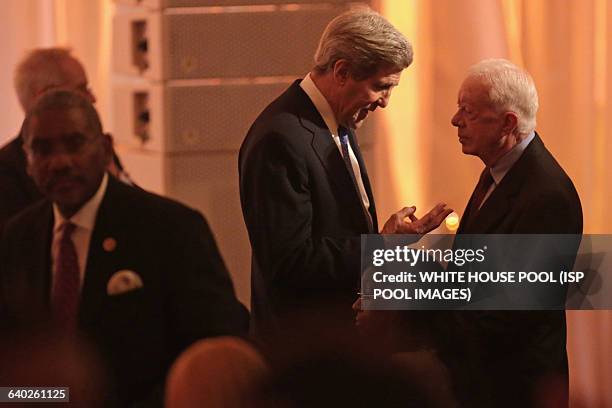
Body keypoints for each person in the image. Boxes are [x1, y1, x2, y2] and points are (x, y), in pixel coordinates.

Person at [0, 90, 249, 407]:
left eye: (74, 144)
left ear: (104, 149)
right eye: (42, 149)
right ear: (27, 161)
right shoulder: (19, 237)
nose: (59, 162)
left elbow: (214, 353)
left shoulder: (170, 228)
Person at [239, 8, 451, 338]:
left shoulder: (338, 121)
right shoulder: (279, 138)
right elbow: (289, 263)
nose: (384, 102)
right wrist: (381, 245)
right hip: (302, 357)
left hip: (339, 346)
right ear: (341, 72)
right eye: (381, 86)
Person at [450, 59, 583, 406]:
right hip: (481, 379)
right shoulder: (500, 170)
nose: (455, 120)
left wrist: (410, 326)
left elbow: (511, 313)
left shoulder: (547, 195)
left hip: (515, 389)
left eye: (468, 111)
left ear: (508, 122)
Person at [0, 47, 130, 233]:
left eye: (75, 144)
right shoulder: (6, 171)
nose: (93, 98)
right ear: (46, 96)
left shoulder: (94, 146)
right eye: (82, 89)